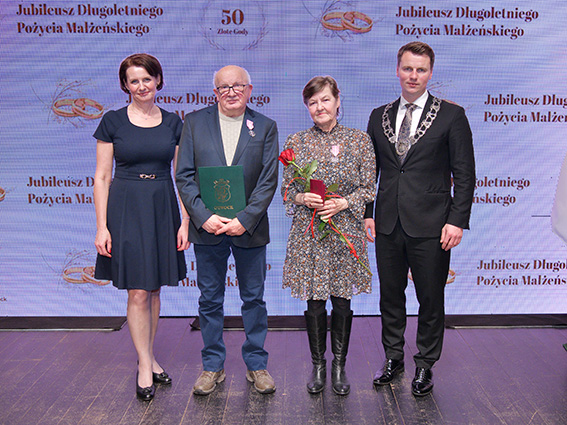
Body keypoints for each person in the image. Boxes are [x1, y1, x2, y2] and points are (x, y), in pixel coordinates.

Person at [365, 41, 475, 396]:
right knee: (390, 296)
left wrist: (457, 220)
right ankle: (393, 358)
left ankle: (425, 364)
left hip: (433, 224)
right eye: (408, 68)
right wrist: (368, 213)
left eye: (421, 70)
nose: (413, 76)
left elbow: (465, 174)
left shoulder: (451, 116)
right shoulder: (378, 115)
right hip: (387, 222)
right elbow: (370, 172)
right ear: (397, 70)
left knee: (430, 298)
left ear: (430, 73)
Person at [175, 65, 279, 395]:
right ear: (215, 92)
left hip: (249, 229)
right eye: (224, 87)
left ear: (249, 90)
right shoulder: (194, 123)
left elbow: (268, 180)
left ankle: (257, 365)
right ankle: (212, 366)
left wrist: (245, 219)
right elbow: (184, 176)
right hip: (208, 229)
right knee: (209, 300)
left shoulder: (265, 126)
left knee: (254, 299)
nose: (231, 92)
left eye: (238, 86)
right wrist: (202, 216)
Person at [93, 53, 190, 401]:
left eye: (147, 79)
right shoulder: (112, 121)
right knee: (137, 290)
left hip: (162, 206)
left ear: (158, 80)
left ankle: (148, 357)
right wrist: (102, 227)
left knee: (154, 290)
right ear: (125, 85)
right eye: (134, 81)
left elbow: (182, 176)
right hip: (126, 207)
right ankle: (145, 365)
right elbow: (102, 177)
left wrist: (186, 221)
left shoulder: (174, 123)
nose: (141, 86)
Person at [281, 76, 376, 395]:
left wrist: (344, 202)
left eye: (325, 99)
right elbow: (287, 190)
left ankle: (339, 366)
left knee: (342, 301)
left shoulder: (359, 140)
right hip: (310, 232)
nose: (319, 107)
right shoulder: (296, 141)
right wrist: (301, 197)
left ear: (337, 101)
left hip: (345, 229)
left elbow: (369, 187)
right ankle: (318, 365)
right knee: (315, 302)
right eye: (312, 102)